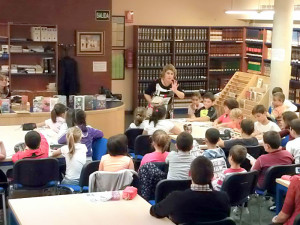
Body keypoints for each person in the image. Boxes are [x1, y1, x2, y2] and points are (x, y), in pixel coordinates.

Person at [150, 156, 231, 224]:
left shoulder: (176, 198)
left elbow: (154, 211)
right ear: (212, 176)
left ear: (189, 174)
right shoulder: (224, 198)